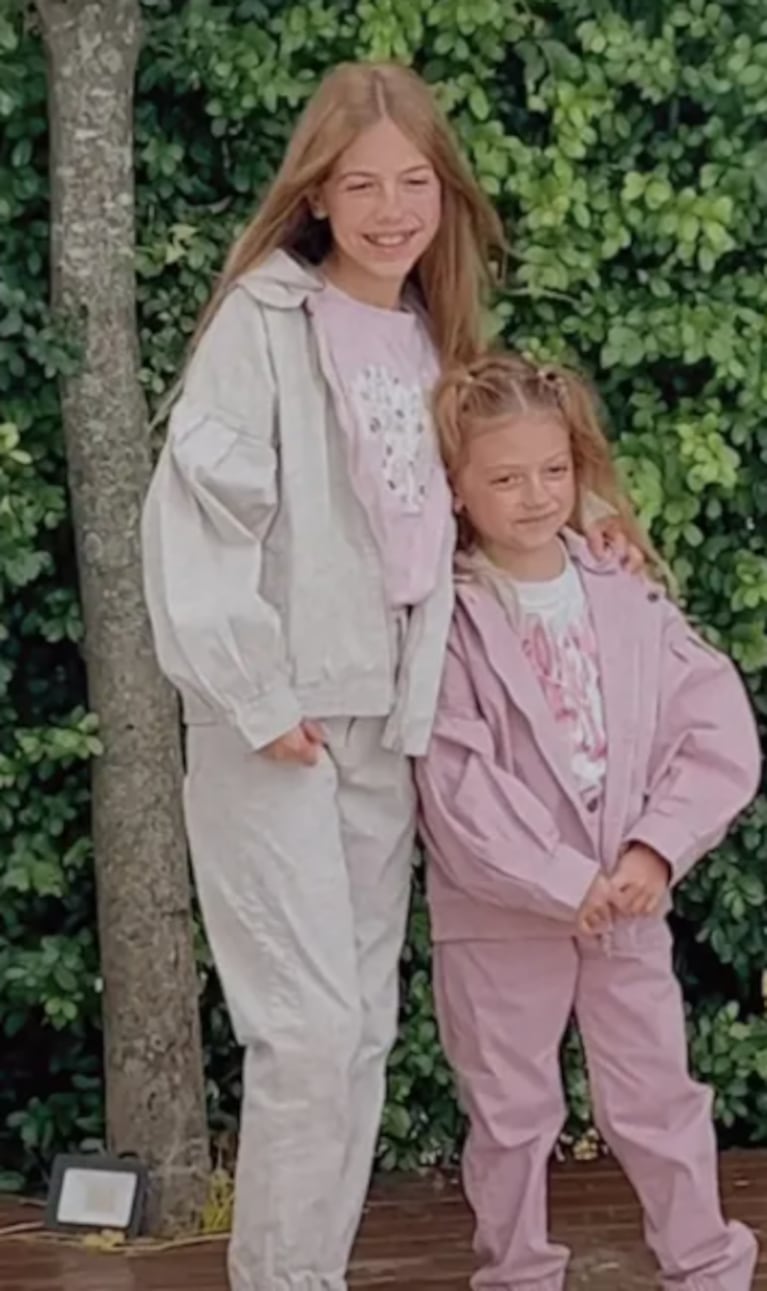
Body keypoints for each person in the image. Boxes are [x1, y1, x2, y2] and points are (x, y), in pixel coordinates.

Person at [141, 62, 642, 1291]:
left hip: (388, 724)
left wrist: (589, 543)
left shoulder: (432, 338)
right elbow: (194, 522)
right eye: (357, 183)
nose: (386, 208)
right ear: (314, 194)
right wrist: (260, 701)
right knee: (305, 1030)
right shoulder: (265, 319)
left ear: (444, 194)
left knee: (357, 1033)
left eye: (411, 181)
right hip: (281, 722)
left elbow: (459, 517)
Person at [416, 352, 761, 1291]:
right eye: (503, 477)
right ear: (455, 488)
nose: (534, 496)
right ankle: (518, 1273)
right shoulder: (446, 619)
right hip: (500, 917)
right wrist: (564, 882)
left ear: (580, 467)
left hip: (632, 896)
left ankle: (706, 1266)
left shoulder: (626, 592)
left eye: (553, 471)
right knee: (510, 1111)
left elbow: (714, 725)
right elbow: (458, 781)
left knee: (657, 1095)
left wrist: (654, 848)